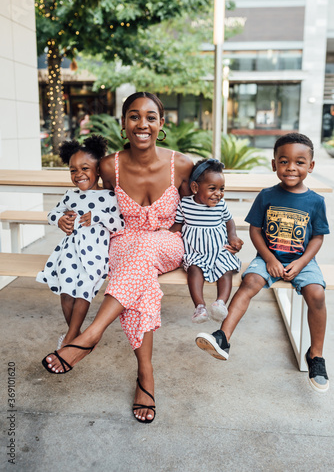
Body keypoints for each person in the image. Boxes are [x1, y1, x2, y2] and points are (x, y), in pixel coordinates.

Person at [41, 92, 193, 423]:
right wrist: (69, 219)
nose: (143, 124)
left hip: (168, 242)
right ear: (123, 124)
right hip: (123, 243)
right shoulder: (110, 166)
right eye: (134, 116)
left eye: (151, 117)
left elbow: (197, 212)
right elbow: (93, 204)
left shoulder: (181, 165)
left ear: (161, 124)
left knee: (146, 250)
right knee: (143, 282)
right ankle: (146, 374)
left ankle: (90, 335)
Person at [196, 133, 330, 393]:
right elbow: (255, 230)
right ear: (274, 165)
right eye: (284, 161)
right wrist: (268, 258)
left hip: (302, 261)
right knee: (249, 282)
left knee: (317, 294)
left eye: (300, 162)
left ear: (311, 166)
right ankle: (222, 338)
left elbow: (317, 238)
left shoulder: (316, 201)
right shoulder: (266, 195)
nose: (291, 167)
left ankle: (316, 356)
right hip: (268, 257)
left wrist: (302, 263)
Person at [37, 134, 124, 349]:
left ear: (98, 170)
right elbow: (52, 213)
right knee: (66, 292)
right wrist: (59, 219)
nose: (79, 174)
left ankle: (71, 338)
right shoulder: (70, 195)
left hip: (95, 254)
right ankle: (75, 335)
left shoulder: (110, 196)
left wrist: (98, 217)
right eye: (73, 170)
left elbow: (120, 224)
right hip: (69, 251)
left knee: (83, 290)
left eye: (85, 168)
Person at [170, 158, 243, 323]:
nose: (218, 193)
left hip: (219, 250)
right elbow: (177, 225)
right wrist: (165, 234)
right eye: (212, 188)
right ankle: (200, 307)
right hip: (195, 252)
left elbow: (229, 221)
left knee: (226, 270)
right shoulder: (185, 204)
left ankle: (221, 303)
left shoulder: (221, 205)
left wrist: (232, 235)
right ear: (195, 187)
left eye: (221, 189)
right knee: (194, 270)